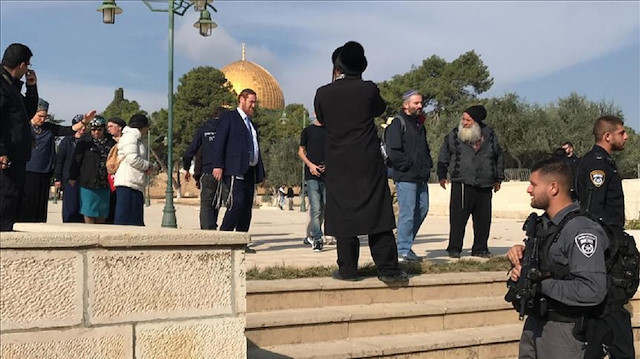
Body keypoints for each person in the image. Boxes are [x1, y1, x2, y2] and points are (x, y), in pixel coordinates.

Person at [314, 40, 407, 283]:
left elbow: (322, 118)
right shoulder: (368, 89)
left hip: (338, 162)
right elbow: (379, 108)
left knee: (344, 215)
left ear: (338, 67)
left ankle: (348, 269)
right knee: (377, 213)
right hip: (367, 160)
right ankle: (387, 269)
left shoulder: (323, 93)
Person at [506, 157, 608, 359]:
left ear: (553, 188)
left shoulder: (581, 230)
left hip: (564, 332)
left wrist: (540, 284)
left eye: (534, 184)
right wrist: (520, 267)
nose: (529, 190)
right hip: (536, 324)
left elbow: (592, 290)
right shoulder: (546, 226)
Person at [575, 115, 633, 358]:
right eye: (621, 132)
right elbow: (593, 213)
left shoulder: (605, 162)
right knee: (611, 311)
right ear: (607, 136)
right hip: (604, 253)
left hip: (609, 248)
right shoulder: (596, 165)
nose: (626, 136)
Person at [437, 105, 505, 258]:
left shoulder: (490, 135)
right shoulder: (454, 135)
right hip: (461, 182)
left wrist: (498, 178)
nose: (464, 122)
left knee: (483, 219)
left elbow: (498, 156)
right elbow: (444, 155)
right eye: (463, 119)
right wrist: (442, 175)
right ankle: (454, 248)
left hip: (485, 182)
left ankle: (480, 248)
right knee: (458, 218)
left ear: (476, 122)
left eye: (468, 120)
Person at [18, 99, 92, 223]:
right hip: (27, 170)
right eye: (40, 116)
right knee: (26, 202)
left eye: (45, 117)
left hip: (44, 171)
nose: (42, 120)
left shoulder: (49, 128)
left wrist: (84, 121)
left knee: (40, 204)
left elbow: (69, 130)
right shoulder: (23, 126)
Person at [212, 89, 266, 252]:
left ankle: (241, 242)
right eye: (251, 101)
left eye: (255, 102)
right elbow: (219, 141)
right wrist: (218, 165)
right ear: (241, 100)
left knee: (246, 207)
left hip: (250, 170)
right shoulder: (229, 118)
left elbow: (255, 147)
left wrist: (260, 171)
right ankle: (223, 239)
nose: (253, 105)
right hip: (235, 168)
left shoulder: (251, 123)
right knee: (237, 203)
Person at [386, 90, 432, 262]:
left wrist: (427, 165)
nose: (420, 106)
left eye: (421, 103)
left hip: (421, 176)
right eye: (416, 103)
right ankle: (402, 249)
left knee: (423, 209)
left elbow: (424, 150)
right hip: (405, 176)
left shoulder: (420, 125)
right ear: (406, 105)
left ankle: (404, 244)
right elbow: (393, 151)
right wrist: (408, 166)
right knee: (407, 212)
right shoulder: (397, 124)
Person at [0, 43, 38, 231]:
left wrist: (31, 89)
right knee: (6, 195)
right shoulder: (2, 85)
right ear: (22, 65)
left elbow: (26, 113)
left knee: (13, 195)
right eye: (27, 66)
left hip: (16, 155)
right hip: (6, 155)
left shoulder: (11, 86)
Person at [182, 106, 228, 230]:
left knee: (207, 204)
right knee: (225, 203)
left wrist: (187, 168)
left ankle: (208, 231)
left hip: (206, 172)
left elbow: (190, 152)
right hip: (225, 173)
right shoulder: (228, 129)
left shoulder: (203, 130)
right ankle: (224, 230)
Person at [69, 117, 115, 224]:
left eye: (99, 129)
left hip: (104, 182)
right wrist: (72, 176)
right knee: (88, 210)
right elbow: (76, 159)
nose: (96, 132)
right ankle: (89, 231)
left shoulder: (111, 143)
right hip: (88, 181)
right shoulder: (84, 141)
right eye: (94, 129)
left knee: (102, 211)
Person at [113, 114, 152, 226]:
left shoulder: (137, 138)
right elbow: (132, 158)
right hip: (127, 182)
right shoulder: (130, 137)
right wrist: (148, 165)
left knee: (135, 221)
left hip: (135, 183)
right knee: (124, 219)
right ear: (143, 127)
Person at [299, 116, 327, 252]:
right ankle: (317, 238)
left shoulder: (330, 130)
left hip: (327, 176)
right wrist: (311, 165)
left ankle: (316, 234)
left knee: (325, 208)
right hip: (312, 175)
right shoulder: (308, 131)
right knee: (316, 208)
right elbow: (301, 151)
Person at [54, 114, 87, 223]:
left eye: (85, 126)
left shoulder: (88, 140)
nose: (83, 129)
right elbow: (59, 160)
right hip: (69, 178)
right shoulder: (66, 141)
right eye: (80, 126)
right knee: (70, 205)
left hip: (84, 178)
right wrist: (57, 178)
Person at [105, 117, 126, 224]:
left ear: (120, 127)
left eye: (111, 126)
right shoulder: (108, 142)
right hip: (109, 178)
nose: (109, 129)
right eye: (108, 127)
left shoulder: (127, 142)